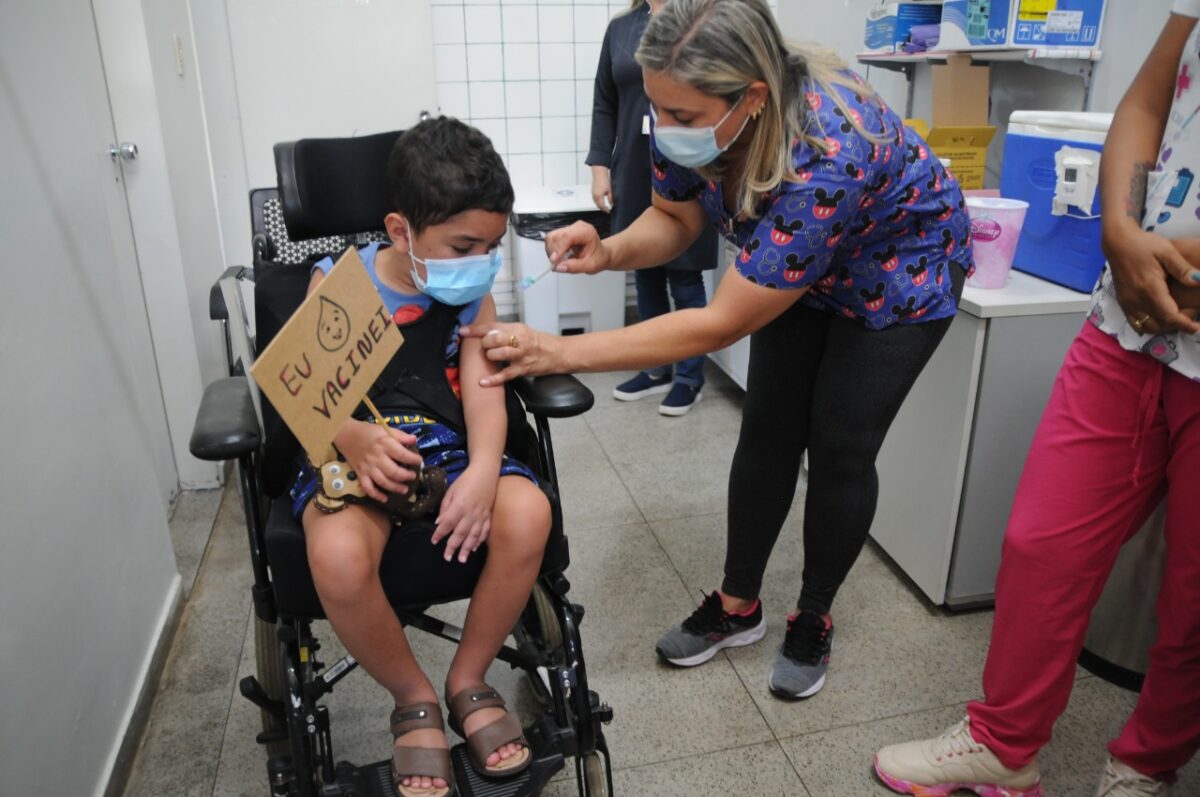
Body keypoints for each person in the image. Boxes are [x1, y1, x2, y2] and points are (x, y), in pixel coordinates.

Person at [461, 0, 973, 700]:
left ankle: (814, 612)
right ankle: (739, 605)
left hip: (899, 272)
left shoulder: (827, 148)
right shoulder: (690, 107)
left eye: (683, 117)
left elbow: (716, 324)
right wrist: (608, 247)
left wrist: (561, 351)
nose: (666, 130)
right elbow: (674, 218)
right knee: (767, 427)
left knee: (840, 446)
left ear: (752, 97)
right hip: (806, 264)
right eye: (658, 112)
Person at [873, 4, 1200, 795]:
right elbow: (1152, 96)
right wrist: (1119, 232)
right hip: (1128, 317)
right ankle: (1004, 741)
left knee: (1194, 593)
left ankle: (1145, 762)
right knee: (1041, 544)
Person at [290, 118, 551, 797]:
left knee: (528, 512)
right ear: (401, 230)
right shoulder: (337, 284)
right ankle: (413, 696)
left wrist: (487, 471)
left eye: (493, 245)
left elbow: (487, 399)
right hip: (353, 453)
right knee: (338, 554)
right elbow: (311, 398)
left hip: (450, 449)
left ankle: (468, 676)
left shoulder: (473, 297)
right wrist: (352, 436)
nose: (483, 260)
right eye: (465, 245)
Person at [588, 0, 719, 415]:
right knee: (643, 268)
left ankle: (689, 376)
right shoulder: (622, 28)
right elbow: (604, 101)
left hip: (688, 157)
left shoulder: (700, 18)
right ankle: (656, 366)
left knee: (684, 273)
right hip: (634, 163)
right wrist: (599, 166)